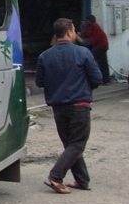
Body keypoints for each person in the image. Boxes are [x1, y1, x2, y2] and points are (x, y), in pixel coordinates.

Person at [35, 18, 102, 194]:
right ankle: (56, 176)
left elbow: (40, 82)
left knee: (70, 144)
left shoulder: (45, 56)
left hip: (58, 106)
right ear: (70, 32)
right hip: (79, 104)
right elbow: (97, 78)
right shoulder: (83, 53)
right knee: (77, 144)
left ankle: (82, 180)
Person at [79, 15, 111, 85]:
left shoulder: (93, 26)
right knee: (103, 63)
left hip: (99, 46)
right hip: (103, 45)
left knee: (89, 59)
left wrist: (82, 27)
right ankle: (106, 80)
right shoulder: (95, 26)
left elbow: (85, 35)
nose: (86, 22)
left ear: (90, 21)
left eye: (87, 21)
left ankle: (92, 78)